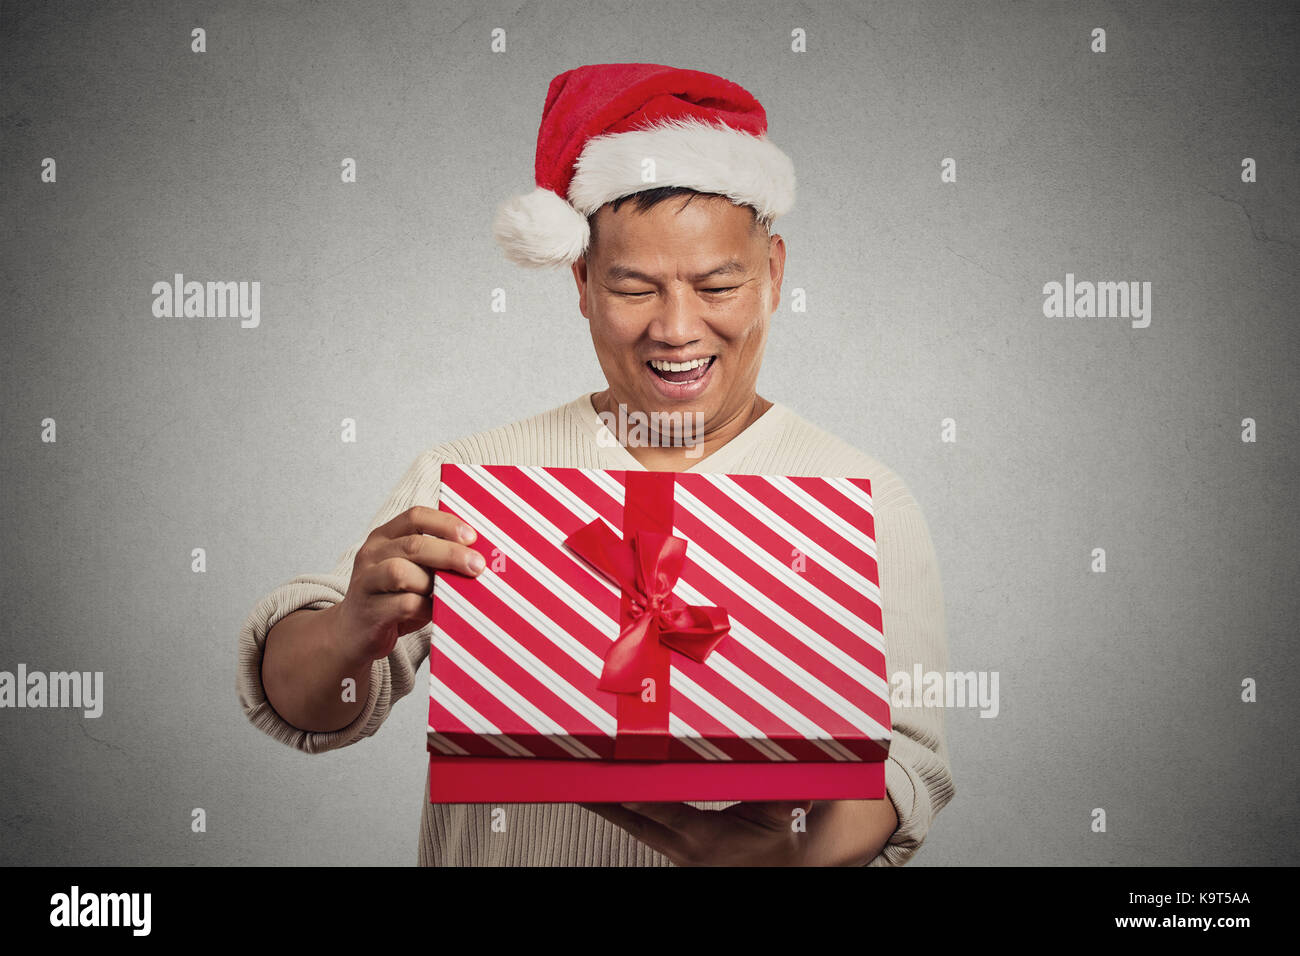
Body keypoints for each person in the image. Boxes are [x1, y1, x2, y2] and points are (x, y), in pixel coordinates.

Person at [237, 62, 955, 866]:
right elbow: (304, 705)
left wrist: (798, 855)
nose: (679, 328)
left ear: (774, 275)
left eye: (718, 284)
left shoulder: (863, 501)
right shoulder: (473, 476)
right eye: (634, 287)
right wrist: (347, 631)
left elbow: (910, 759)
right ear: (581, 282)